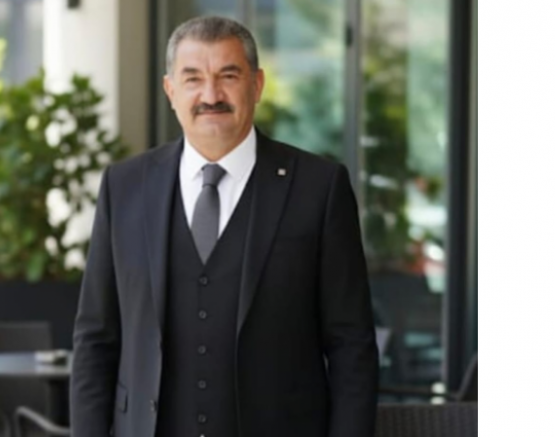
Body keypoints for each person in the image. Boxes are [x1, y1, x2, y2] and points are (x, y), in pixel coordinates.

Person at [71, 15, 378, 437]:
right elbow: (95, 339)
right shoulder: (124, 186)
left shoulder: (319, 188)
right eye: (193, 79)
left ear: (257, 84)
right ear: (170, 91)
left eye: (228, 76)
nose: (211, 95)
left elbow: (351, 346)